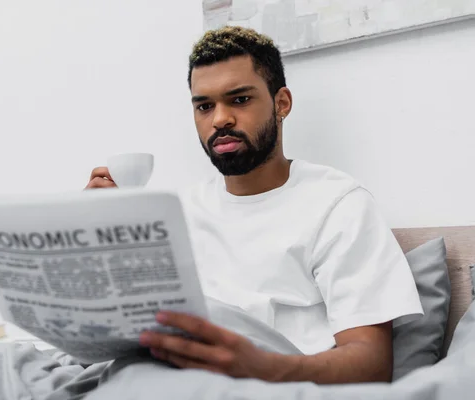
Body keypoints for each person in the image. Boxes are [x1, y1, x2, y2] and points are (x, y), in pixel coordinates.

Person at [85, 26, 423, 384]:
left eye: (240, 99)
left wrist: (261, 367)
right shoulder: (177, 211)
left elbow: (372, 364)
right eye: (204, 106)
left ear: (282, 103)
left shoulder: (338, 205)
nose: (219, 119)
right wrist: (95, 239)